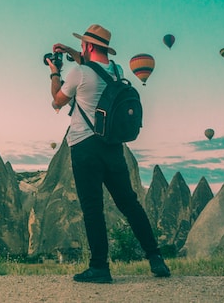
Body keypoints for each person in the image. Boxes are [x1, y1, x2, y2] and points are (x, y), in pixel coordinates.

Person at [47, 24, 170, 283]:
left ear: (89, 46)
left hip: (84, 146)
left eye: (82, 45)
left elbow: (58, 101)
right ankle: (156, 257)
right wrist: (70, 50)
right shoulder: (117, 72)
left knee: (93, 208)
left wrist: (54, 73)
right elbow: (94, 67)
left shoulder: (78, 73)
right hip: (113, 147)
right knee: (129, 203)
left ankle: (100, 268)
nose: (80, 49)